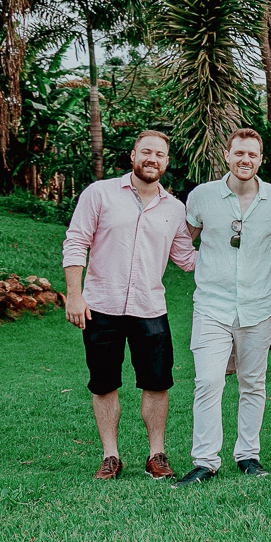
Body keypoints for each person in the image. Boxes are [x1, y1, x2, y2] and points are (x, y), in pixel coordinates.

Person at [62, 129, 197, 481]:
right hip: (101, 306)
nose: (152, 159)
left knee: (157, 383)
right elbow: (75, 241)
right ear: (133, 155)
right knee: (104, 383)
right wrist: (74, 295)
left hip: (150, 309)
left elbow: (187, 258)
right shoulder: (100, 193)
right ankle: (111, 456)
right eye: (146, 152)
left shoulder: (175, 209)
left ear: (166, 162)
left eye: (160, 154)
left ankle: (156, 455)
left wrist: (234, 248)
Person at [173, 128, 271, 487]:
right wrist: (197, 264)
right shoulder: (202, 196)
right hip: (212, 305)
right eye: (239, 153)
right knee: (208, 380)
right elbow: (182, 238)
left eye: (252, 154)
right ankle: (205, 461)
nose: (245, 160)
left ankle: (248, 455)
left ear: (260, 159)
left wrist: (264, 263)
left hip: (259, 304)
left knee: (252, 383)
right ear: (227, 155)